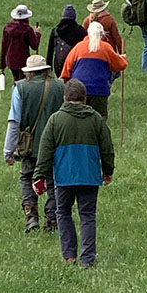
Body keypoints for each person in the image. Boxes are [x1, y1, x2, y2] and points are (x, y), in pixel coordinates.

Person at [33, 78, 114, 269]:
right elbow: (107, 148)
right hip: (89, 175)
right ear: (85, 99)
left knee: (63, 212)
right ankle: (87, 259)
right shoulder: (95, 118)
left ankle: (69, 255)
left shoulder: (55, 120)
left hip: (64, 175)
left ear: (64, 98)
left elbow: (45, 150)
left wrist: (39, 176)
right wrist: (108, 170)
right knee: (87, 215)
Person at [3, 55, 64, 233]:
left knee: (27, 177)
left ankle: (31, 218)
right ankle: (52, 219)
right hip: (55, 143)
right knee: (54, 181)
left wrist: (8, 151)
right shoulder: (61, 86)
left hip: (30, 146)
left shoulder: (20, 88)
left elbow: (14, 122)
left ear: (29, 72)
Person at [60, 21, 127, 121]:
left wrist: (64, 85)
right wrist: (123, 58)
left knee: (78, 117)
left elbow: (66, 71)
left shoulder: (78, 47)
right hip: (100, 90)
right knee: (100, 118)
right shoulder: (106, 47)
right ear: (101, 34)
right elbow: (120, 65)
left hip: (78, 89)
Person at [0, 5, 41, 81]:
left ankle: (15, 92)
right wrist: (37, 34)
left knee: (16, 81)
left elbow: (3, 47)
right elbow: (34, 46)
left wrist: (2, 65)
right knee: (23, 83)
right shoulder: (27, 29)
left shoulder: (7, 28)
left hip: (11, 61)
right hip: (23, 61)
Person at [46, 5, 87, 77]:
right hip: (75, 65)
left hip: (59, 67)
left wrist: (49, 69)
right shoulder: (81, 31)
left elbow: (50, 52)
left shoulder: (55, 31)